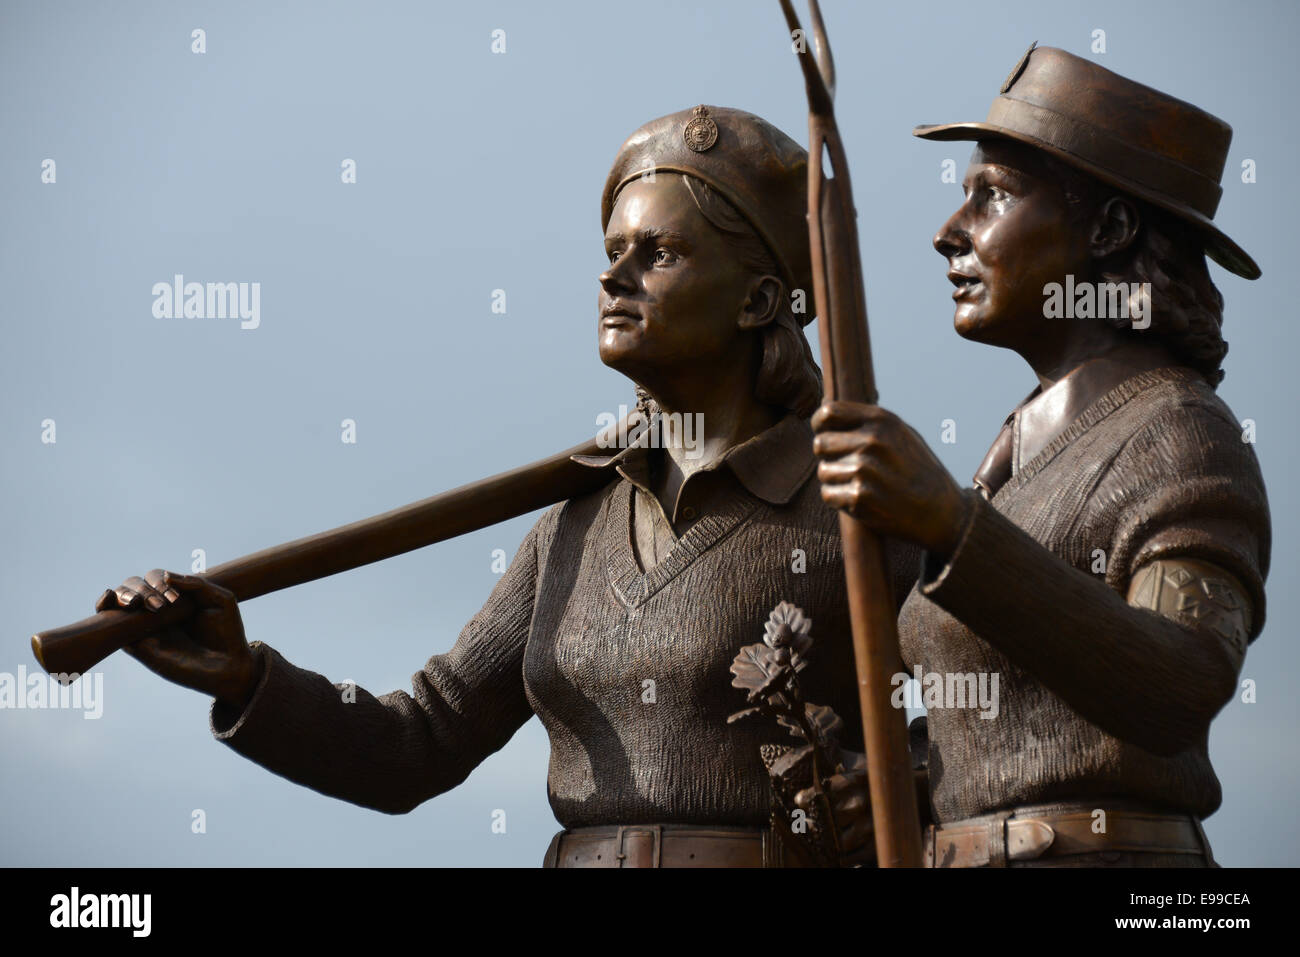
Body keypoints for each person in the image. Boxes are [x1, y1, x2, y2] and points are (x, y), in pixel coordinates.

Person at [96, 105, 918, 868]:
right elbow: (417, 743)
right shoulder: (574, 525)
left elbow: (994, 715)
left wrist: (900, 793)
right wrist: (244, 677)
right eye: (611, 253)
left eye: (659, 254)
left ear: (760, 299)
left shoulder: (857, 502)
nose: (615, 278)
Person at [812, 44, 1270, 867]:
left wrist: (951, 526)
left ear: (1111, 228)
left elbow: (1178, 684)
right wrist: (914, 775)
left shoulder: (1184, 433)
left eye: (993, 197)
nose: (949, 233)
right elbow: (1030, 724)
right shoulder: (1023, 448)